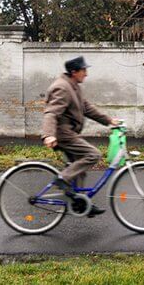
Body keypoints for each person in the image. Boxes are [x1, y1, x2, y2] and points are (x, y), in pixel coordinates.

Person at [41, 56, 118, 217]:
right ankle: (62, 179)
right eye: (84, 70)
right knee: (93, 154)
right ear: (74, 72)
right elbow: (51, 113)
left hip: (68, 132)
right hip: (63, 134)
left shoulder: (73, 86)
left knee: (79, 168)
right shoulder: (62, 87)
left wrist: (109, 120)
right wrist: (48, 135)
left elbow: (86, 108)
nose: (86, 74)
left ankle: (80, 202)